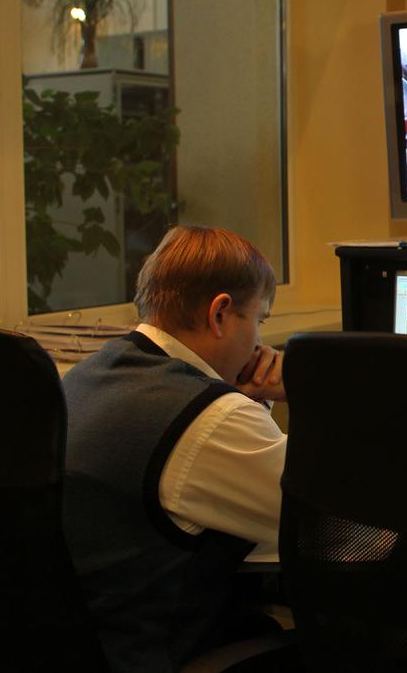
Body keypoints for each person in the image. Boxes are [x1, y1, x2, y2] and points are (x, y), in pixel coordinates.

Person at [62, 226, 287, 672]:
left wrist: (242, 398)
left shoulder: (89, 373)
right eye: (259, 321)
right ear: (220, 314)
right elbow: (331, 518)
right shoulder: (209, 417)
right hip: (154, 652)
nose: (260, 345)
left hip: (85, 641)